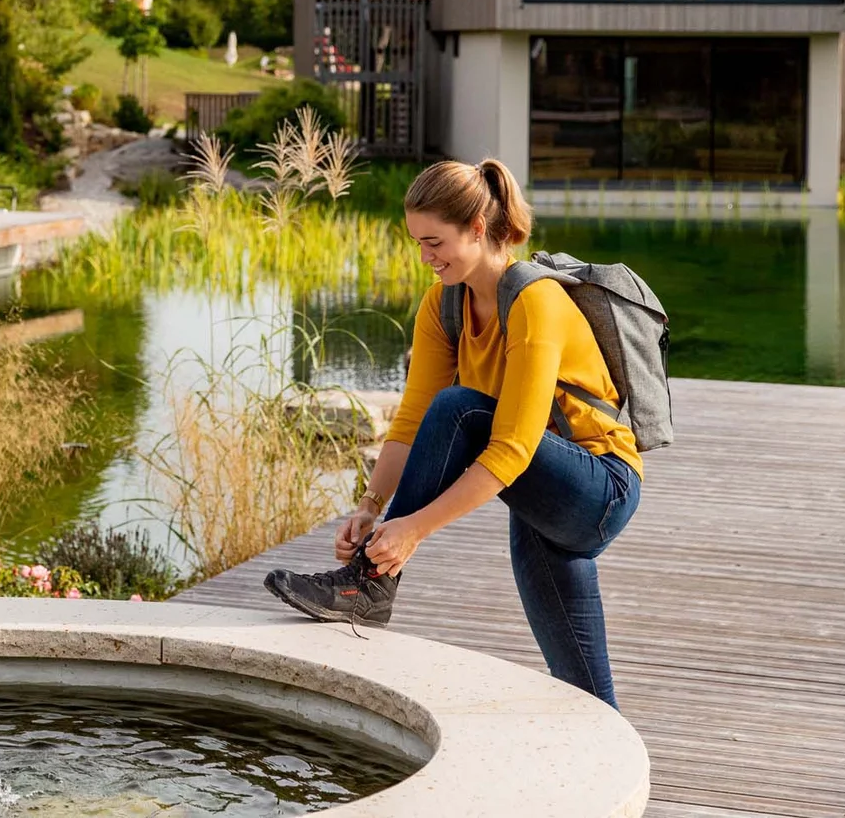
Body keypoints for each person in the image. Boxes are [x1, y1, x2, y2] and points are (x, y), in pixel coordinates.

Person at [264, 157, 642, 707]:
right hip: (538, 498)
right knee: (583, 692)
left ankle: (369, 584)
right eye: (417, 243)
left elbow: (510, 448)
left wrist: (412, 529)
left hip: (599, 489)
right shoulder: (444, 305)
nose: (425, 258)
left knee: (461, 408)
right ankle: (610, 775)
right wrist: (371, 507)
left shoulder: (537, 302)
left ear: (479, 229)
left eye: (435, 242)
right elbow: (412, 420)